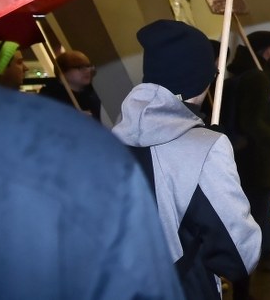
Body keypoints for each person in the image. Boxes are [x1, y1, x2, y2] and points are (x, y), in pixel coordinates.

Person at [0, 0, 185, 300]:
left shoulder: (88, 104)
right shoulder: (55, 125)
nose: (89, 71)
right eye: (80, 66)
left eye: (90, 65)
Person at [112, 19, 261, 299]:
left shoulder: (111, 138)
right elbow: (241, 257)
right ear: (201, 78)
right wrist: (210, 150)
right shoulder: (207, 149)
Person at [223, 31, 270, 277]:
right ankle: (256, 263)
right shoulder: (258, 78)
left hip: (242, 161)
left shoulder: (241, 75)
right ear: (266, 50)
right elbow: (255, 123)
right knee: (260, 215)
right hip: (259, 163)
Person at [38, 50, 104, 121]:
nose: (87, 70)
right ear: (62, 72)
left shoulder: (94, 94)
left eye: (88, 66)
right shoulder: (49, 99)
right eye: (80, 67)